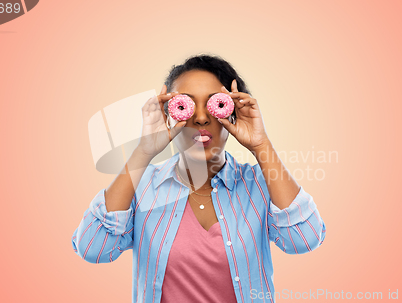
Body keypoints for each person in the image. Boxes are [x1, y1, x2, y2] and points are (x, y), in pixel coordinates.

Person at [72, 54, 326, 303]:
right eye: (186, 105)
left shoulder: (259, 184)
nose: (201, 117)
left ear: (234, 112)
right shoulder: (141, 186)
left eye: (216, 104)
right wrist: (144, 150)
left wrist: (261, 144)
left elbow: (304, 239)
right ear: (169, 113)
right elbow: (94, 248)